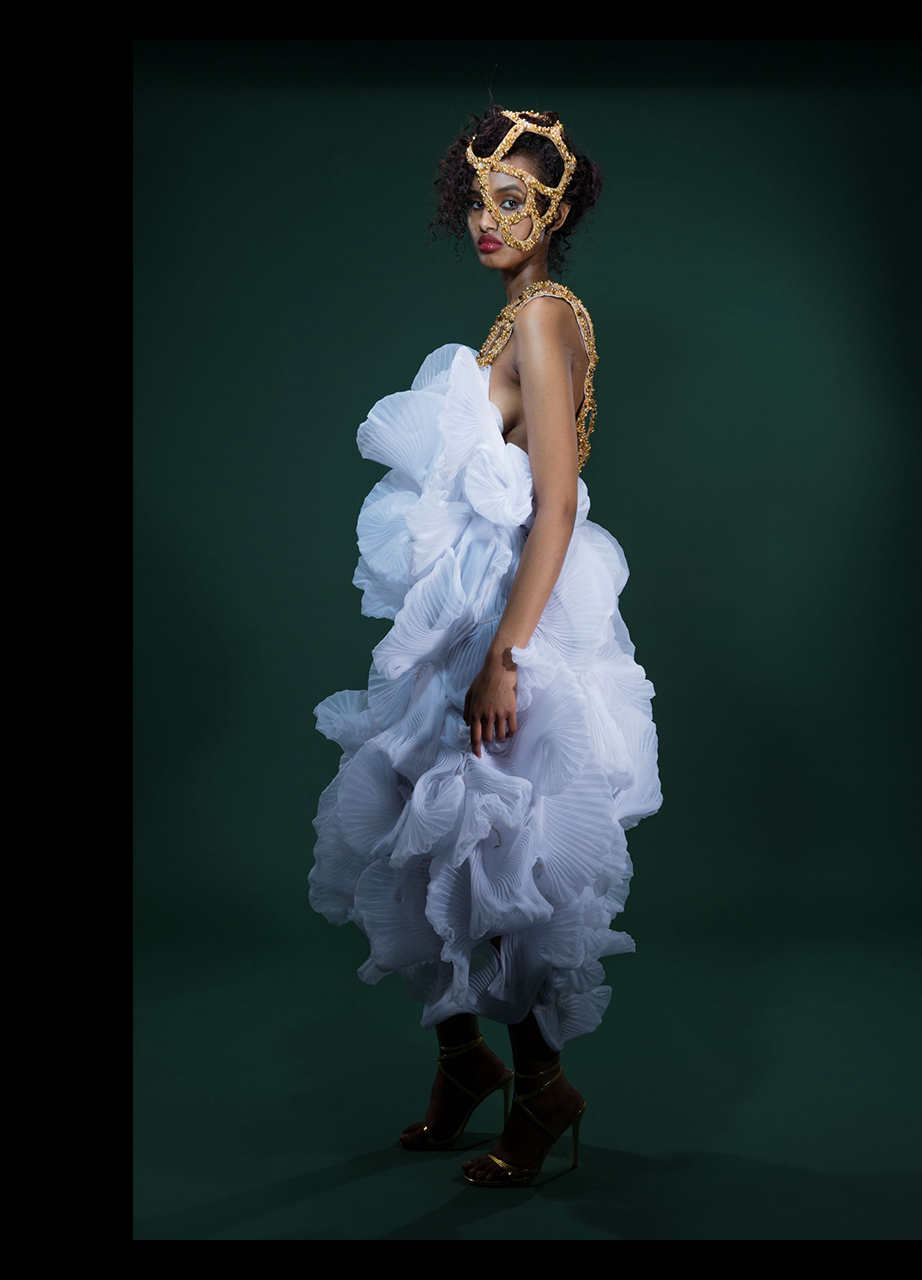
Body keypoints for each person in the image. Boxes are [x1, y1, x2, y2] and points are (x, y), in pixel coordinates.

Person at [308, 106, 663, 1189]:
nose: (488, 217)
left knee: (491, 855)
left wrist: (506, 655)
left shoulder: (547, 317)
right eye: (479, 197)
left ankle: (543, 1085)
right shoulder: (516, 319)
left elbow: (553, 503)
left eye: (515, 200)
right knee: (425, 849)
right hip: (470, 615)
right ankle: (465, 1063)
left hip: (516, 623)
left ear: (557, 212)